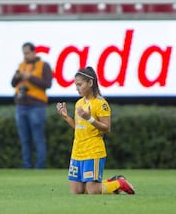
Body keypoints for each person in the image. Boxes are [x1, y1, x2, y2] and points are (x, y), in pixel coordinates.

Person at [56, 66, 135, 194]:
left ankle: (119, 183)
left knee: (92, 190)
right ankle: (111, 182)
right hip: (77, 151)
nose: (77, 88)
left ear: (90, 83)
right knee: (76, 191)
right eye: (76, 85)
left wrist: (89, 118)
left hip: (93, 150)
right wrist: (66, 117)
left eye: (80, 84)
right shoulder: (79, 103)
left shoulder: (100, 103)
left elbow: (107, 128)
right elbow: (78, 127)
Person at [11, 42, 53, 169]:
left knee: (38, 139)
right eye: (24, 53)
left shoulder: (43, 65)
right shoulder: (21, 66)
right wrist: (18, 76)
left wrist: (30, 77)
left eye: (28, 53)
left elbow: (47, 84)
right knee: (24, 140)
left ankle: (40, 167)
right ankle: (26, 166)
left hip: (36, 106)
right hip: (21, 105)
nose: (26, 56)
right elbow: (13, 83)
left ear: (34, 52)